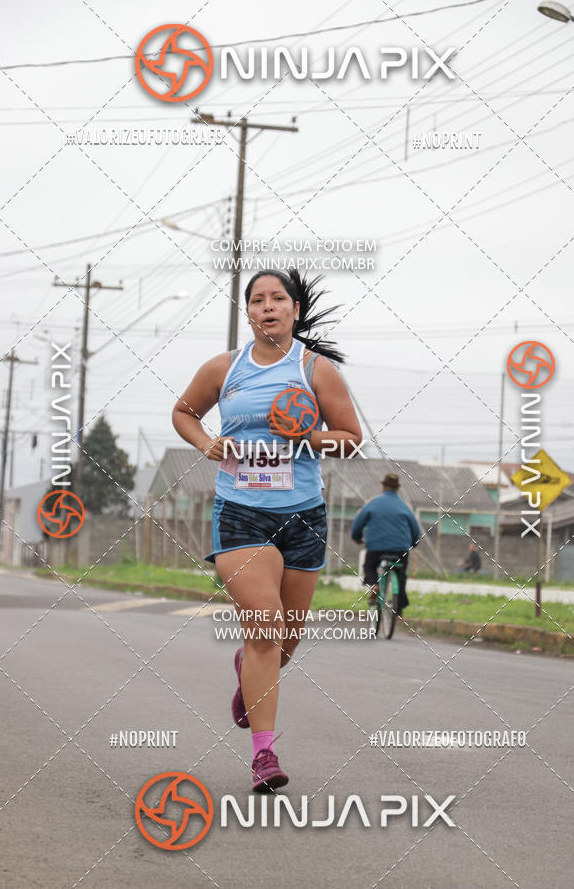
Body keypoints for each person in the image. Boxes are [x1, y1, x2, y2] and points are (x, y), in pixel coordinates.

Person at [172, 268, 362, 792]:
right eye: (257, 300)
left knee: (284, 642)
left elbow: (350, 439)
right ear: (249, 312)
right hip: (241, 512)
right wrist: (206, 442)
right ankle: (264, 754)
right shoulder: (223, 368)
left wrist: (308, 436)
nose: (268, 307)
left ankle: (248, 670)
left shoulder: (315, 370)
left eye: (278, 298)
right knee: (264, 626)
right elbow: (184, 413)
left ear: (295, 310)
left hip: (303, 515)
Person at [351, 473, 420, 615]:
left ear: (383, 487)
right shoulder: (405, 506)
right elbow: (415, 529)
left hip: (376, 549)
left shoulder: (372, 503)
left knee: (370, 566)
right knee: (400, 575)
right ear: (397, 488)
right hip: (400, 550)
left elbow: (358, 523)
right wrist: (413, 543)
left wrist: (357, 538)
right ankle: (398, 609)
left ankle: (374, 585)